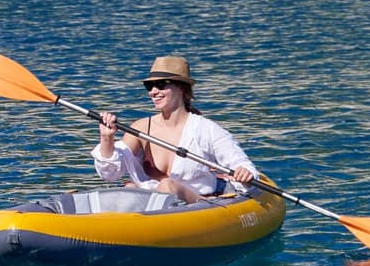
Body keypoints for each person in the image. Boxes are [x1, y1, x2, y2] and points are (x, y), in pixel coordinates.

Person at [94, 55, 257, 203]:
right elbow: (110, 175)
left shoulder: (206, 129)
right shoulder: (141, 128)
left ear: (181, 88)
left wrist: (244, 173)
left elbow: (241, 164)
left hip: (199, 203)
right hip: (154, 205)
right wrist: (107, 138)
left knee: (167, 186)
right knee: (129, 189)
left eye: (160, 85)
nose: (153, 92)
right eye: (149, 86)